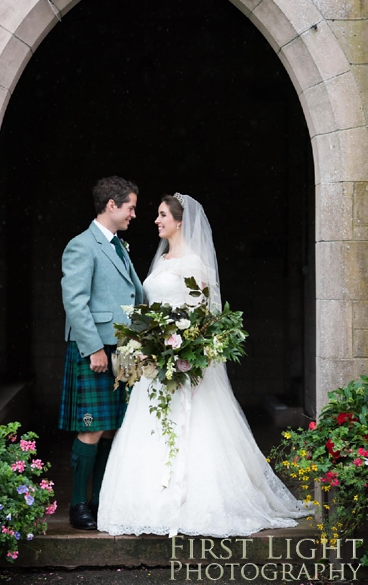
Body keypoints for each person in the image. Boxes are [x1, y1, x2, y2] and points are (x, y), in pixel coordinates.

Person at [97, 193, 308, 537]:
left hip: (182, 364)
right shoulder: (161, 261)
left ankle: (194, 502)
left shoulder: (194, 265)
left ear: (181, 222)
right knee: (148, 427)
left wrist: (187, 352)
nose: (156, 220)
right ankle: (146, 503)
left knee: (194, 432)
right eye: (157, 215)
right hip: (154, 365)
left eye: (163, 215)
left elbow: (203, 320)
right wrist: (147, 345)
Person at [58, 176, 144, 531]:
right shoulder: (82, 245)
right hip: (95, 348)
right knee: (90, 428)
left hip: (123, 349)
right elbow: (74, 300)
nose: (134, 214)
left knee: (114, 429)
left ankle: (100, 500)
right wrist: (93, 347)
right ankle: (78, 505)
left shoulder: (117, 245)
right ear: (112, 205)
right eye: (130, 207)